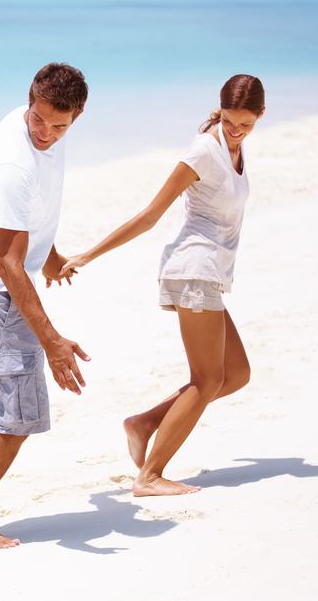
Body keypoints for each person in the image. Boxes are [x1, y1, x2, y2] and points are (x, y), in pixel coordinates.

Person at [61, 74, 265, 496]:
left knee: (237, 374)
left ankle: (145, 422)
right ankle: (149, 475)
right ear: (221, 111)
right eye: (229, 120)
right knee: (207, 379)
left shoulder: (234, 150)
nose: (235, 130)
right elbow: (151, 214)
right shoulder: (205, 150)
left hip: (208, 272)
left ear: (260, 116)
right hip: (193, 268)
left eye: (245, 124)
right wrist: (86, 255)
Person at [0, 63, 90, 550]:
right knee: (19, 416)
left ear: (77, 115)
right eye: (39, 120)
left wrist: (49, 258)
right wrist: (52, 342)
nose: (46, 133)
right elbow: (9, 263)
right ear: (29, 102)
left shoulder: (42, 128)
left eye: (59, 125)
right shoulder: (14, 163)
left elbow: (26, 225)